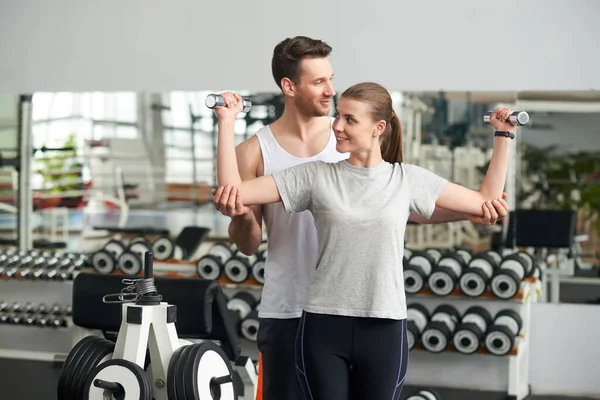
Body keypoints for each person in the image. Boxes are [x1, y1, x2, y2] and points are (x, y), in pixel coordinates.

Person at [211, 36, 509, 400]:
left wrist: (468, 203)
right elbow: (242, 222)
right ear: (289, 86)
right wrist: (226, 125)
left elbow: (398, 210)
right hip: (296, 308)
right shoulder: (294, 163)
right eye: (319, 82)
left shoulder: (369, 157)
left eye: (331, 81)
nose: (330, 93)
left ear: (376, 128)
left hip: (374, 311)